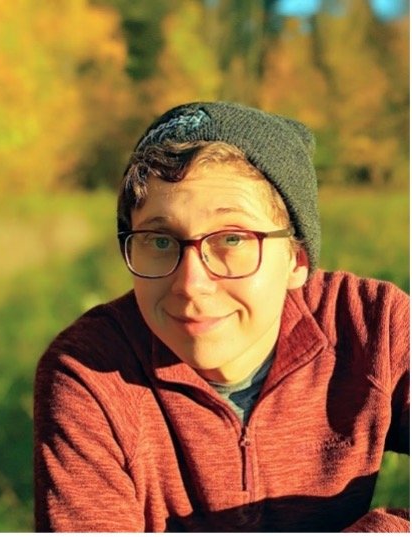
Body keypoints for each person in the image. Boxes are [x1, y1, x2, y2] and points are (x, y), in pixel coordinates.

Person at [33, 102, 409, 532]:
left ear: (297, 260)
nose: (191, 283)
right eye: (159, 240)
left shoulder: (373, 327)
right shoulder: (90, 372)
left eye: (231, 238)